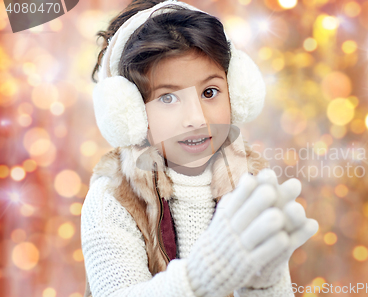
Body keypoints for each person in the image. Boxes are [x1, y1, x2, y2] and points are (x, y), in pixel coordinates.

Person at [81, 1, 318, 296]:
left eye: (209, 92)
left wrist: (265, 281)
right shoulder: (113, 196)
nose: (196, 119)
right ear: (131, 113)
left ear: (235, 91)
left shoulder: (249, 182)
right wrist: (204, 275)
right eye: (168, 98)